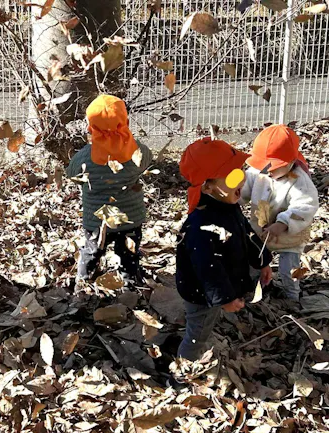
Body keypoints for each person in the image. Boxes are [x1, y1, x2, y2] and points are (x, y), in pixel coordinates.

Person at [175, 137, 273, 361]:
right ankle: (181, 372)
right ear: (207, 186)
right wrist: (225, 298)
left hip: (219, 282)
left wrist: (263, 261)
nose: (242, 180)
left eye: (241, 172)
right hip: (200, 292)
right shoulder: (200, 225)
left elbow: (247, 233)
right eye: (233, 176)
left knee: (205, 324)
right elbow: (207, 269)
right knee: (197, 334)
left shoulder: (227, 205)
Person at [68, 94, 153, 290]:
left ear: (90, 127)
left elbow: (73, 174)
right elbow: (146, 161)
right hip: (130, 217)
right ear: (126, 122)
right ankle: (130, 285)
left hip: (97, 220)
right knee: (129, 253)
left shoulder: (84, 157)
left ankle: (83, 282)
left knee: (91, 251)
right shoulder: (137, 150)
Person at [241, 124, 319, 301]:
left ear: (291, 162)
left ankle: (292, 297)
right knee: (254, 262)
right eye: (264, 165)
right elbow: (242, 190)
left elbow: (305, 206)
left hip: (289, 238)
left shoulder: (299, 181)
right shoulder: (257, 173)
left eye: (274, 167)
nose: (268, 169)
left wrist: (283, 223)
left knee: (288, 271)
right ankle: (253, 287)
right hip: (261, 233)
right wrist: (231, 195)